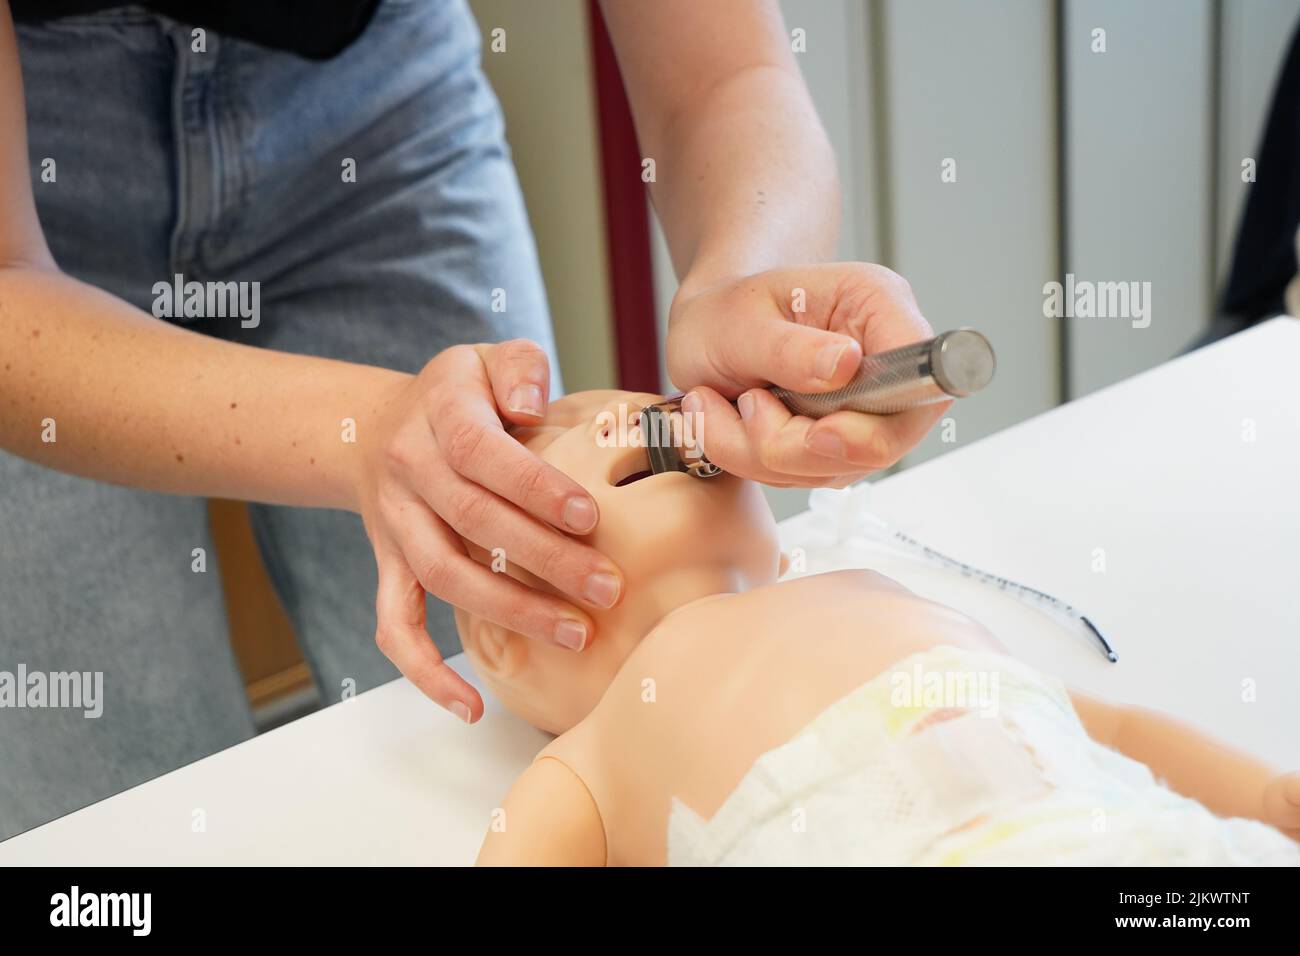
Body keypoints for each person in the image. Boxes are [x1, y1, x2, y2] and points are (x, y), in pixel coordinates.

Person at [0, 0, 941, 839]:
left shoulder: (876, 629)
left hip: (371, 82)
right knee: (117, 802)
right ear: (495, 643)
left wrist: (743, 273)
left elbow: (724, 72)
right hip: (41, 183)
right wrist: (367, 430)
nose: (630, 419)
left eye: (677, 450)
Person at [464, 390, 1300, 865]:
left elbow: (1110, 730)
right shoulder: (598, 750)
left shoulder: (869, 590)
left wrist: (1263, 798)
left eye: (637, 402)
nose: (627, 414)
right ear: (501, 638)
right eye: (562, 435)